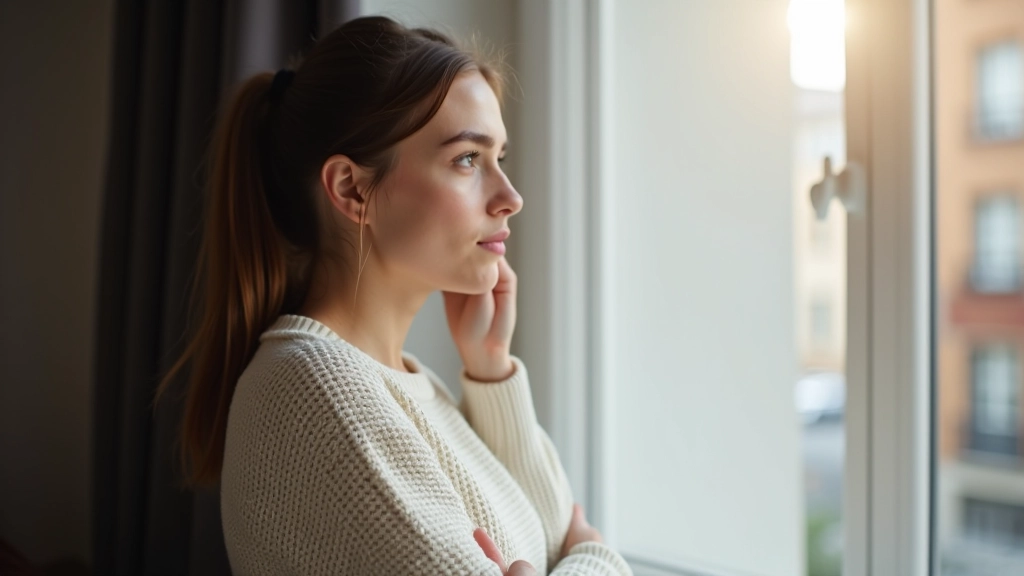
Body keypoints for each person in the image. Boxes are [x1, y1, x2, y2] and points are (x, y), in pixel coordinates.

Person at [157, 15, 633, 576]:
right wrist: (600, 559)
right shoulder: (313, 389)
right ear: (351, 189)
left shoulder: (409, 385)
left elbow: (554, 533)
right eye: (467, 159)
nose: (511, 196)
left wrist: (490, 370)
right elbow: (577, 543)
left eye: (498, 158)